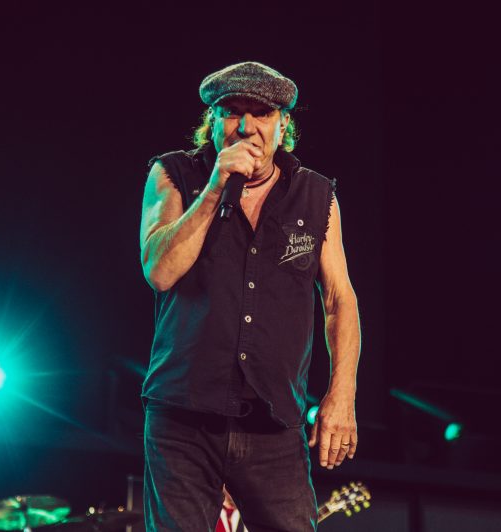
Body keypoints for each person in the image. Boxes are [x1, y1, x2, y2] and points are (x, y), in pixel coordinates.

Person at [139, 61, 361, 531]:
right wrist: (215, 188)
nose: (245, 127)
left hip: (273, 422)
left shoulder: (315, 195)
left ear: (283, 124)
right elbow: (159, 271)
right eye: (231, 112)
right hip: (183, 416)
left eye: (261, 113)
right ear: (213, 119)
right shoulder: (174, 174)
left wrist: (342, 394)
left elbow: (339, 300)